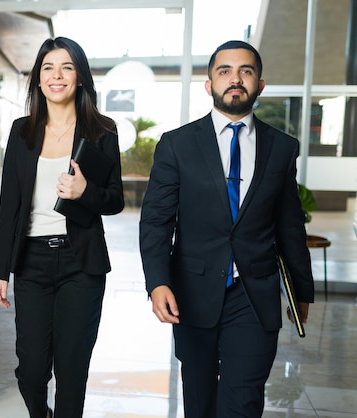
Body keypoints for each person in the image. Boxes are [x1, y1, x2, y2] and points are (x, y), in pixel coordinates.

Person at [139, 40, 315, 418]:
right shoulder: (176, 145)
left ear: (259, 85)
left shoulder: (282, 148)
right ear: (209, 85)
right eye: (225, 71)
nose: (235, 79)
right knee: (199, 401)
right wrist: (157, 283)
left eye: (246, 71)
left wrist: (301, 289)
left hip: (254, 295)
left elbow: (289, 225)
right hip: (192, 292)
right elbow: (156, 221)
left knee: (243, 401)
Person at [0, 37, 124, 418]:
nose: (57, 75)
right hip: (31, 262)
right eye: (48, 67)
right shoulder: (22, 132)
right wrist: (1, 271)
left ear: (80, 77)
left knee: (71, 370)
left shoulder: (102, 131)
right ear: (37, 79)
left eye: (66, 67)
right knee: (31, 372)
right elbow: (10, 206)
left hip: (80, 264)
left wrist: (86, 192)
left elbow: (115, 199)